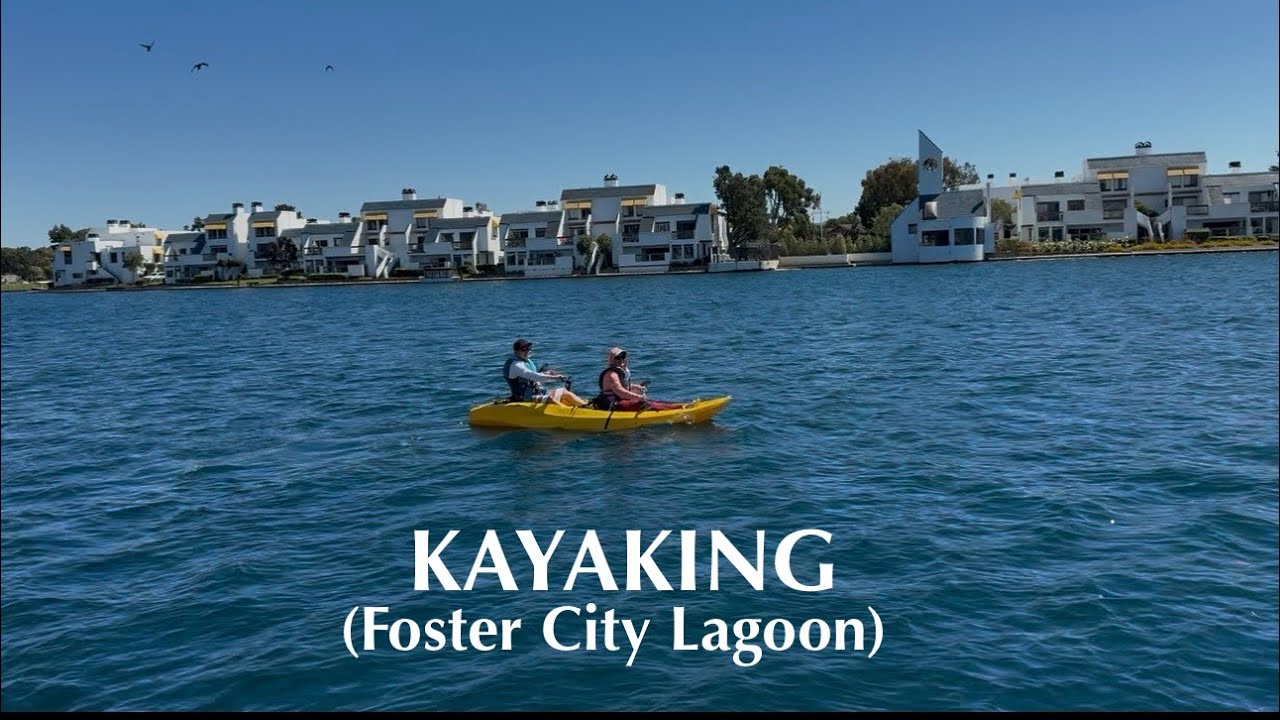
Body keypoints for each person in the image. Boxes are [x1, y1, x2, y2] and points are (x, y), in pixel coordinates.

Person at [591, 346, 683, 411]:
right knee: (645, 404)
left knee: (651, 401)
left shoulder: (619, 371)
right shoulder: (611, 375)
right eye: (617, 358)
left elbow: (625, 387)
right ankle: (678, 409)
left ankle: (677, 406)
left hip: (621, 401)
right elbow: (621, 392)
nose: (621, 360)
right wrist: (638, 397)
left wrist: (637, 387)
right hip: (614, 405)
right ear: (611, 359)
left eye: (622, 357)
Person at [503, 338, 588, 406]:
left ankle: (586, 406)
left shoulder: (525, 361)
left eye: (529, 348)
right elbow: (533, 376)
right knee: (550, 399)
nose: (528, 351)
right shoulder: (516, 365)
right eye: (524, 349)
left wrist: (545, 374)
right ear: (516, 351)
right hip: (524, 398)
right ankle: (570, 414)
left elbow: (533, 376)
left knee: (563, 391)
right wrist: (555, 378)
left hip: (535, 393)